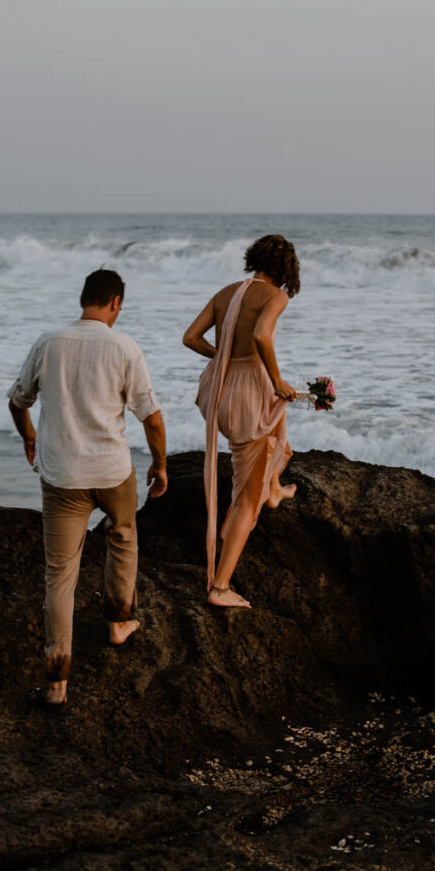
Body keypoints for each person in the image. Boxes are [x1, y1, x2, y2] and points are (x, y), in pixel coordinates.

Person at [8, 269, 167, 705]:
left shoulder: (49, 342)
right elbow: (150, 417)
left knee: (59, 577)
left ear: (84, 299)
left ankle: (57, 684)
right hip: (112, 472)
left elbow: (17, 400)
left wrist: (29, 438)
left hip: (61, 477)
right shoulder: (124, 347)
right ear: (115, 302)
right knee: (123, 536)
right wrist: (160, 465)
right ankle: (119, 623)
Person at [183, 234, 300, 608]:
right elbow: (262, 336)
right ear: (286, 269)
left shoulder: (227, 292)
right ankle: (219, 586)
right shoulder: (276, 296)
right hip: (248, 394)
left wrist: (222, 357)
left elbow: (190, 338)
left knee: (274, 433)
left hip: (219, 391)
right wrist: (277, 379)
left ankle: (275, 488)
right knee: (245, 500)